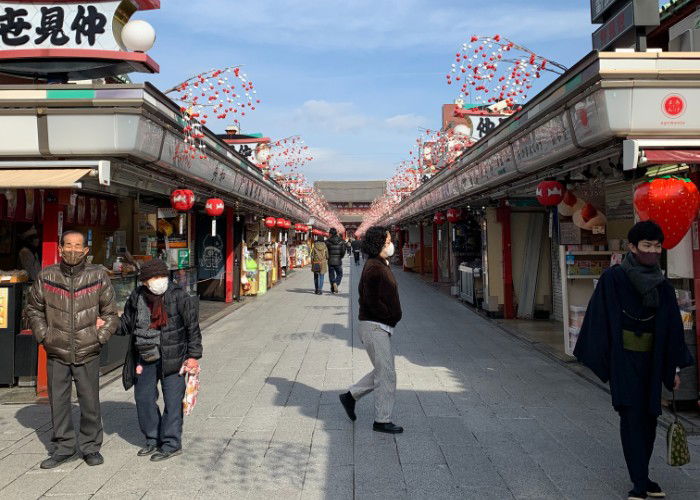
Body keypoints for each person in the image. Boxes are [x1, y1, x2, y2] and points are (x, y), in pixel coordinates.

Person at [574, 221, 693, 500]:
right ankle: (639, 482)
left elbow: (672, 326)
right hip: (624, 359)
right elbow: (599, 319)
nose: (652, 251)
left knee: (650, 417)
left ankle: (643, 475)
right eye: (646, 246)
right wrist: (605, 359)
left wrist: (672, 367)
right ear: (632, 247)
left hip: (653, 360)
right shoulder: (614, 278)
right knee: (631, 417)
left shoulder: (662, 284)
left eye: (656, 246)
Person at [25, 230, 119, 469]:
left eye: (78, 246)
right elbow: (33, 309)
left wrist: (99, 337)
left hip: (89, 349)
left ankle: (90, 447)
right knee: (58, 402)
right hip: (57, 350)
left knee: (90, 402)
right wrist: (44, 336)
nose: (73, 250)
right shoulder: (47, 276)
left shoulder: (98, 276)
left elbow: (110, 313)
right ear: (60, 248)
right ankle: (64, 447)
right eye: (68, 245)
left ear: (86, 250)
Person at [118, 259, 203, 461]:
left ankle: (171, 443)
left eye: (162, 276)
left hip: (174, 358)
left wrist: (193, 356)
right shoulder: (137, 296)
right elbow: (126, 325)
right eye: (154, 278)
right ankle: (152, 438)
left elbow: (193, 328)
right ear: (145, 281)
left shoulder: (179, 296)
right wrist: (106, 323)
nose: (159, 281)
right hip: (145, 355)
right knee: (144, 399)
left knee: (173, 402)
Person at [339, 226, 403, 433]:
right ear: (379, 244)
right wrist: (391, 315)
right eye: (387, 241)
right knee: (386, 374)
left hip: (377, 325)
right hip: (375, 325)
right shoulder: (375, 268)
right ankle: (382, 420)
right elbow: (371, 300)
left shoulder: (380, 264)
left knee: (383, 370)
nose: (390, 244)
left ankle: (350, 396)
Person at [326, 228, 345, 294]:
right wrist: (340, 257)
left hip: (330, 260)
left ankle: (333, 287)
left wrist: (328, 257)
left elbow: (326, 251)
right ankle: (336, 283)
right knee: (340, 274)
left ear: (330, 234)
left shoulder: (327, 241)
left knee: (331, 275)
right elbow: (343, 251)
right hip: (338, 261)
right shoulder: (341, 241)